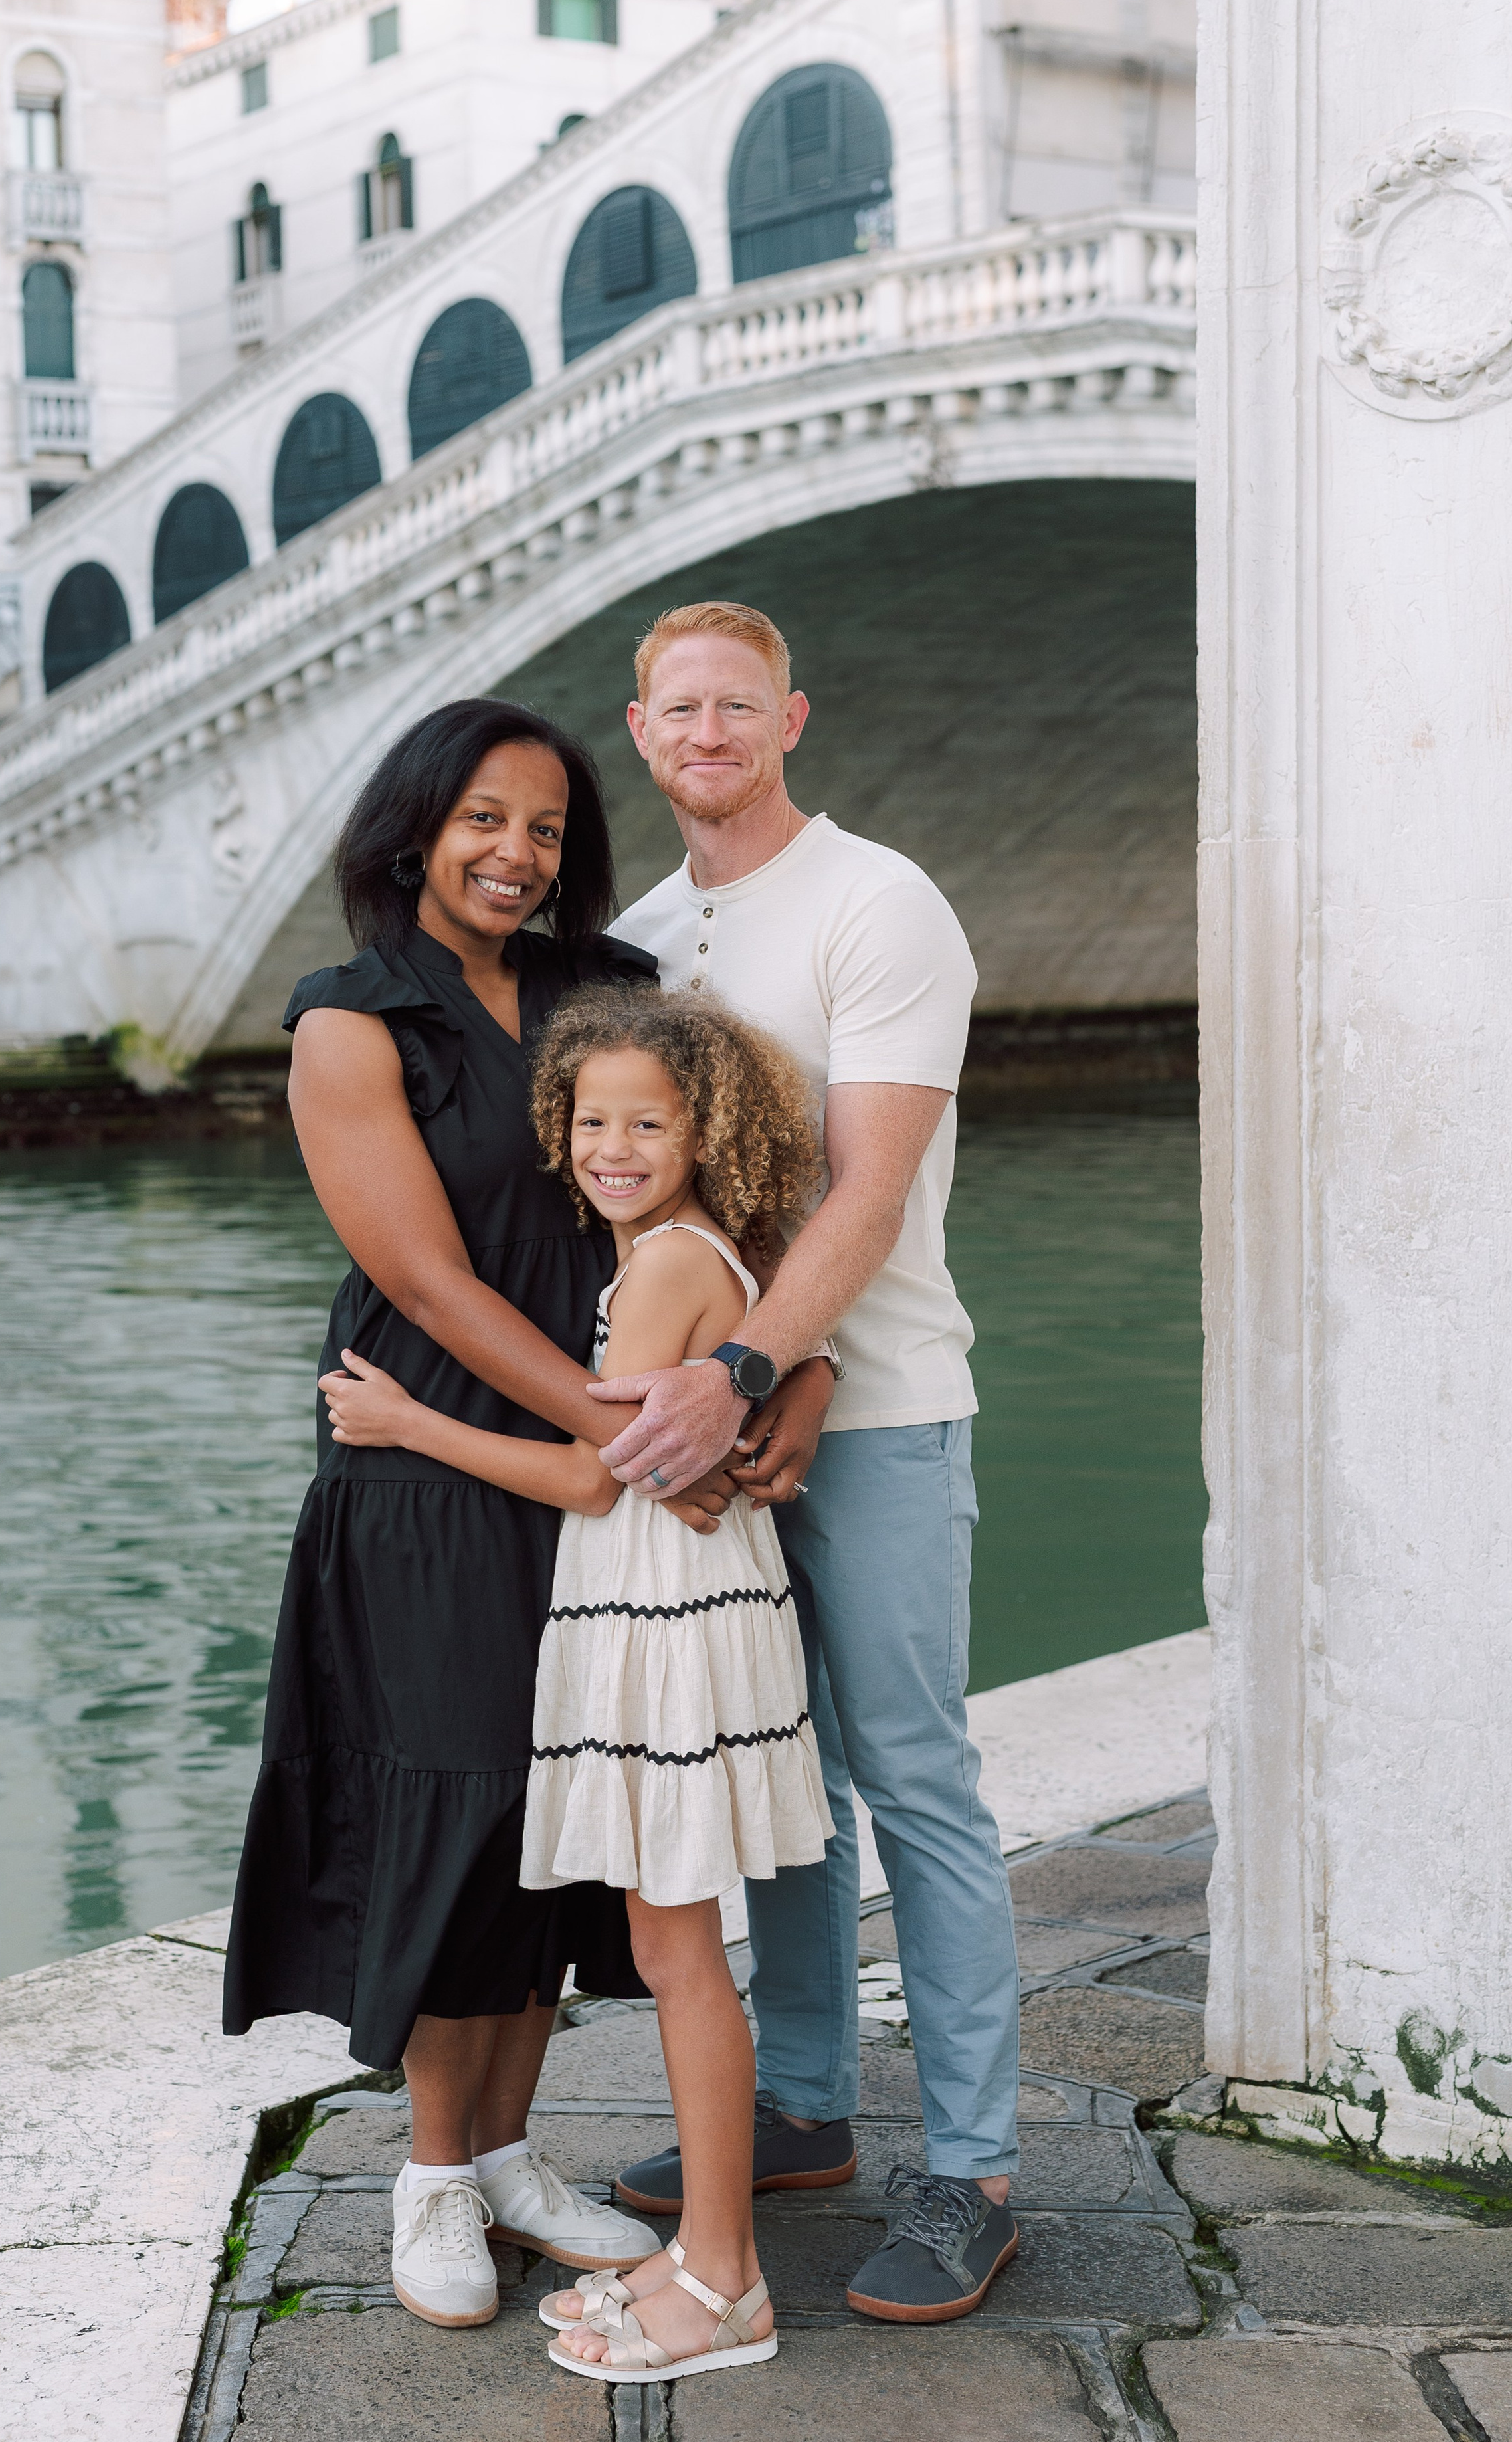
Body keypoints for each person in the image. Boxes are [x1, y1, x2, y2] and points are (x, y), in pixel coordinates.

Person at [221, 700, 791, 2330]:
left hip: (588, 1459)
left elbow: (726, 1187)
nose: (513, 852)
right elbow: (426, 1278)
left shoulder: (601, 989)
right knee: (459, 1801)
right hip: (432, 1460)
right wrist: (622, 1429)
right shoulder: (349, 1021)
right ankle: (429, 2176)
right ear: (414, 824)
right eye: (483, 818)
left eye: (542, 828)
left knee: (565, 1823)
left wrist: (758, 1388)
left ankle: (516, 2155)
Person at [595, 602, 1024, 2324]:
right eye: (678, 707)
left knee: (913, 1771)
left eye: (738, 704)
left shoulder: (878, 902)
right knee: (775, 1773)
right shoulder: (634, 940)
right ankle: (805, 2107)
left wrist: (767, 1359)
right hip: (725, 1401)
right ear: (640, 731)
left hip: (884, 1398)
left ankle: (978, 2170)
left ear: (793, 719)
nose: (708, 730)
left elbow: (870, 1182)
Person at [326, 983, 836, 2387]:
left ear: (700, 1128)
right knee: (678, 1948)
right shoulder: (683, 1254)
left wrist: (405, 1419)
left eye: (646, 1120)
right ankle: (707, 2260)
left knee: (679, 1955)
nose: (611, 1143)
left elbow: (581, 1471)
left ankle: (722, 2278)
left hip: (667, 1626)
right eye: (589, 1117)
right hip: (669, 1611)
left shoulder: (668, 1265)